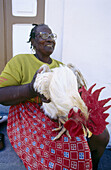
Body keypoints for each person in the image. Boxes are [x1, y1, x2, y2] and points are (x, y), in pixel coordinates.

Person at [0, 23, 109, 170]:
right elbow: (1, 94)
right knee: (54, 146)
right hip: (28, 111)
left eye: (52, 36)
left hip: (59, 111)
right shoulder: (20, 61)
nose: (50, 39)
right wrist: (31, 89)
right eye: (44, 36)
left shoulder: (62, 67)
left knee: (101, 135)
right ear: (32, 41)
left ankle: (91, 164)